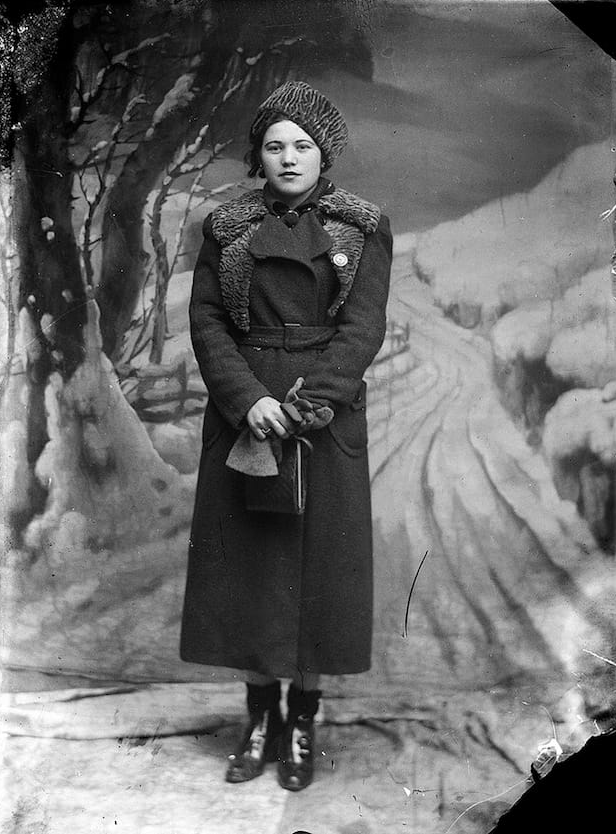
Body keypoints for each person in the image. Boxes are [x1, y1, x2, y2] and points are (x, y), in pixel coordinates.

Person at [180, 80, 393, 791]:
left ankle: (301, 721)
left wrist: (307, 407)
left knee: (315, 580)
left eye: (302, 145)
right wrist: (248, 403)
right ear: (259, 155)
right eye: (275, 145)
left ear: (323, 152)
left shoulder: (362, 228)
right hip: (247, 420)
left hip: (323, 425)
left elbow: (363, 331)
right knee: (251, 576)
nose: (289, 157)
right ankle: (258, 717)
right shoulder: (227, 227)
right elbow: (208, 324)